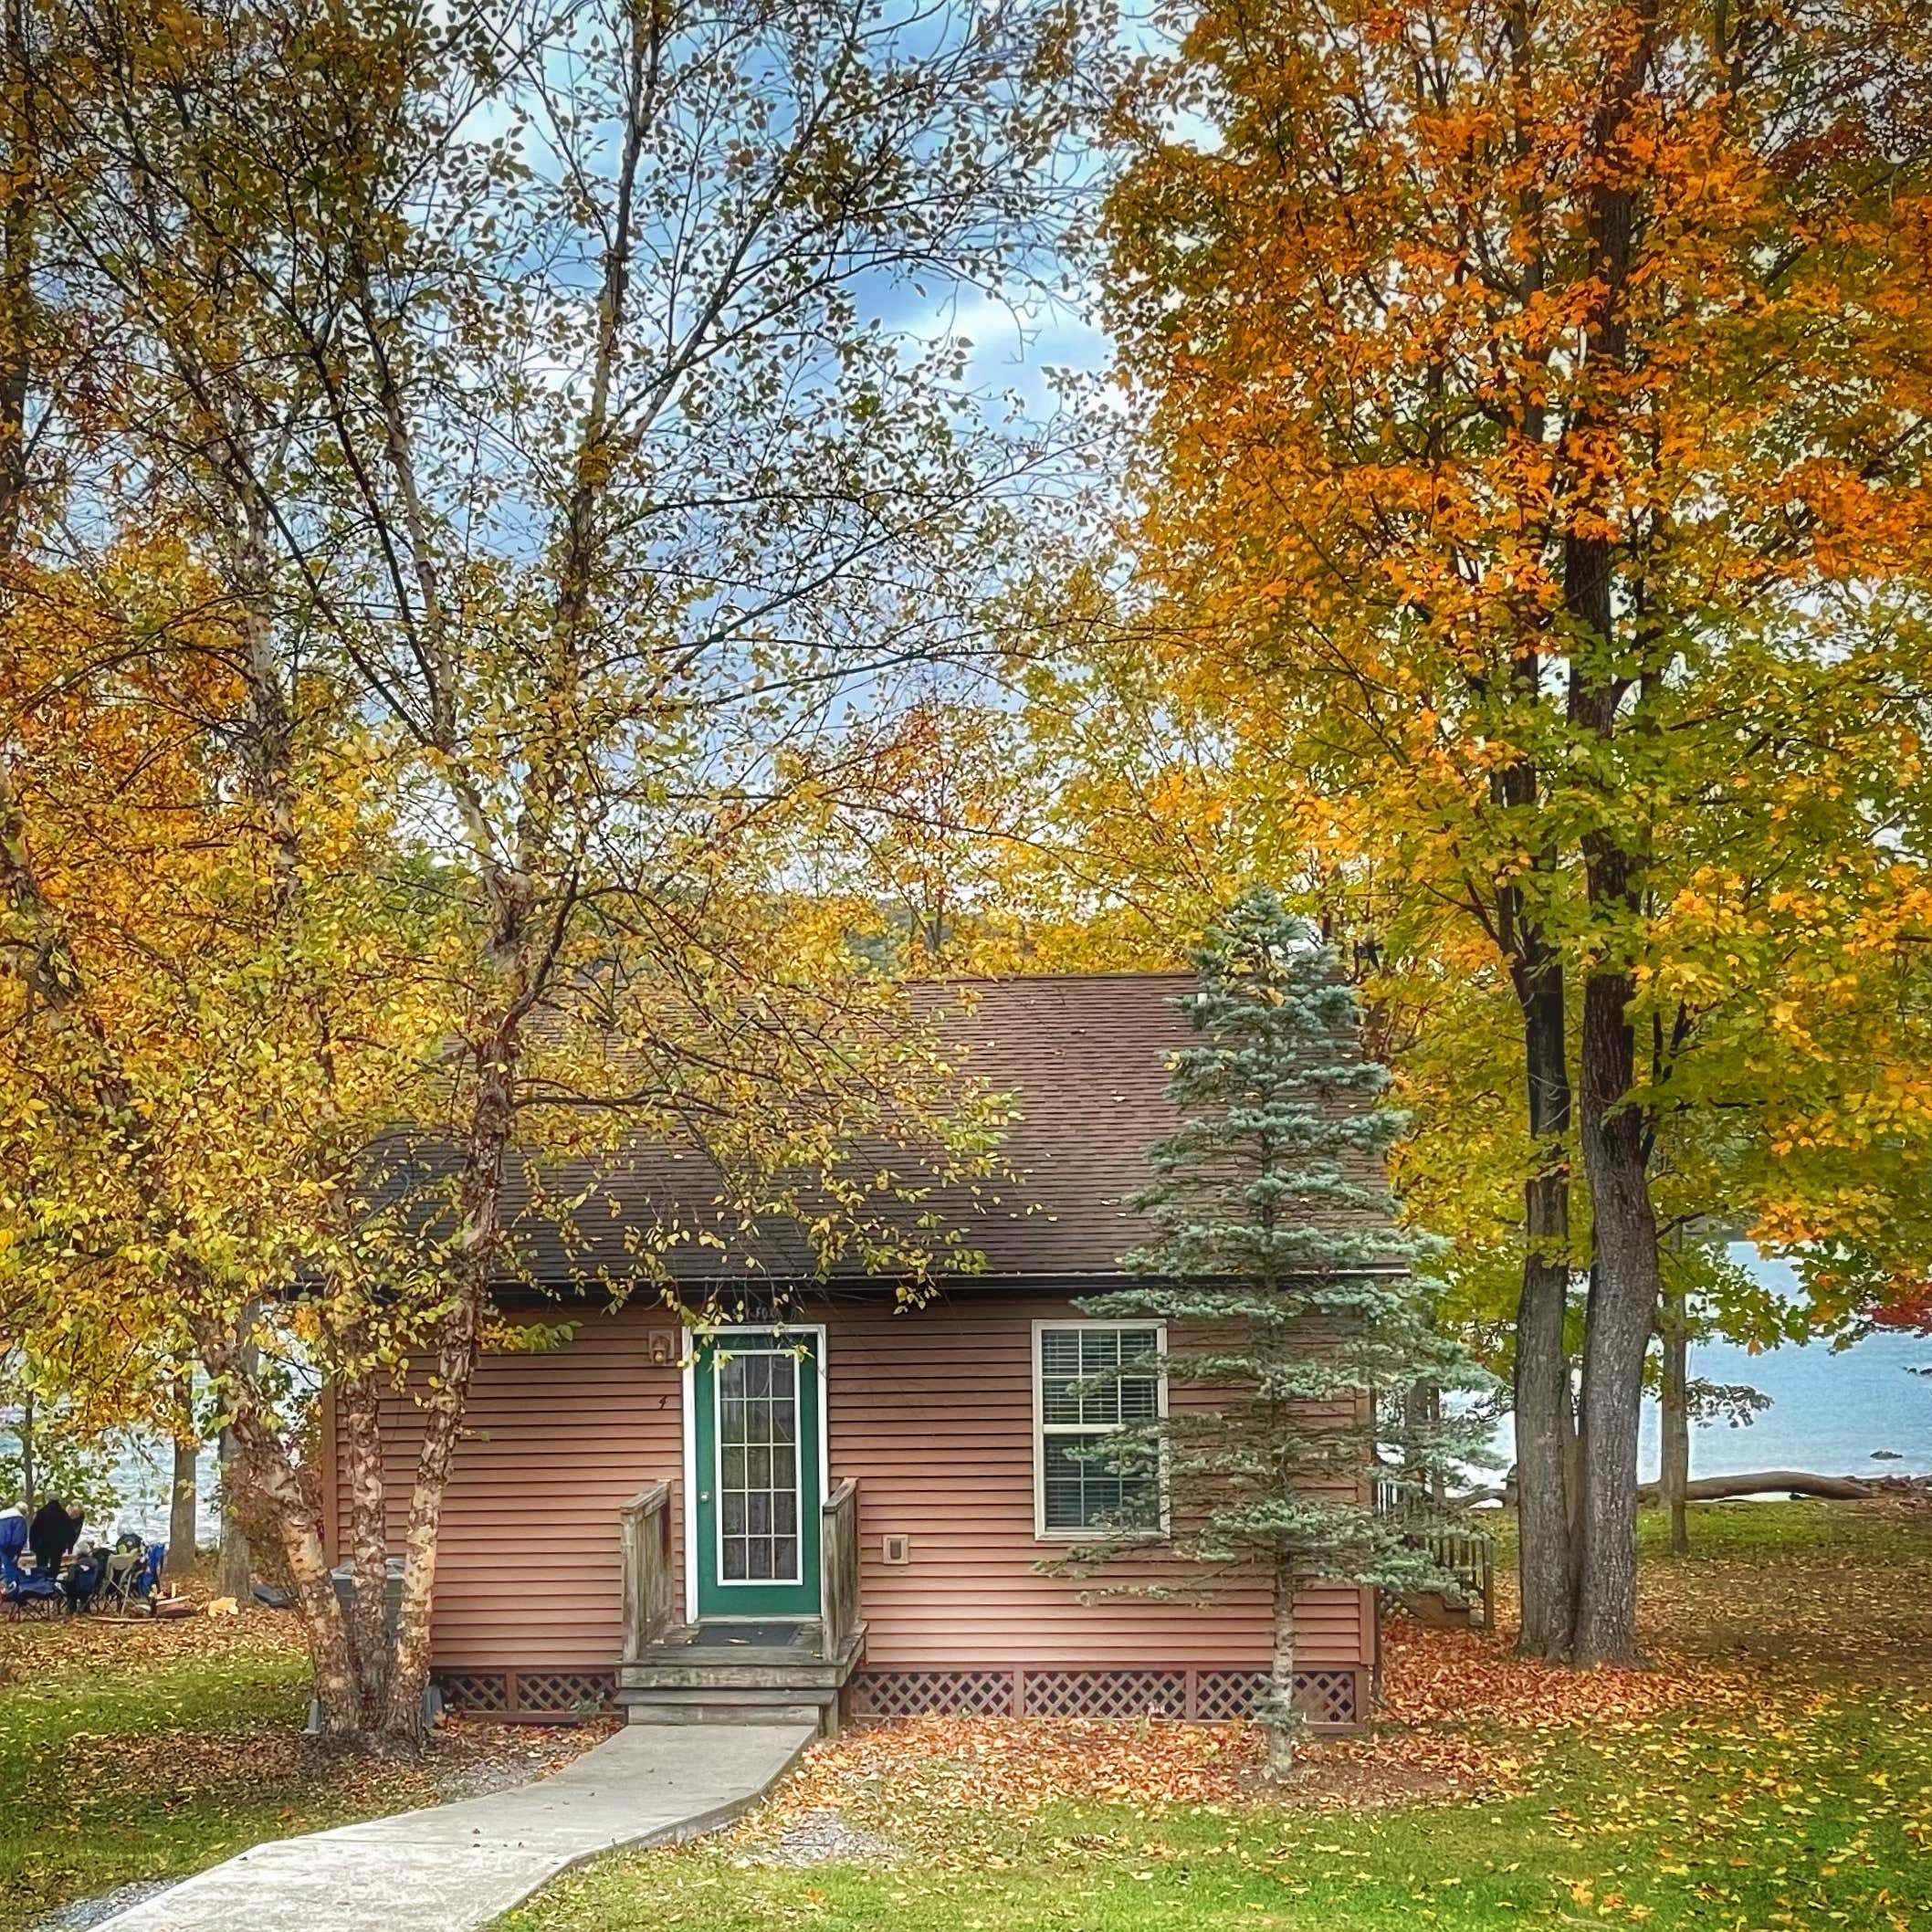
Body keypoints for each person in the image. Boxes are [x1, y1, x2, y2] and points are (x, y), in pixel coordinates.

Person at [28, 1496, 81, 1576]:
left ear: (48, 1500)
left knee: (41, 1567)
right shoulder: (63, 1513)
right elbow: (70, 1531)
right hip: (58, 1546)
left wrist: (32, 1545)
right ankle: (52, 1581)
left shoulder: (42, 1512)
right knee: (55, 1568)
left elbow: (34, 1530)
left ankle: (41, 1582)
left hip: (42, 1545)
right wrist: (70, 1547)